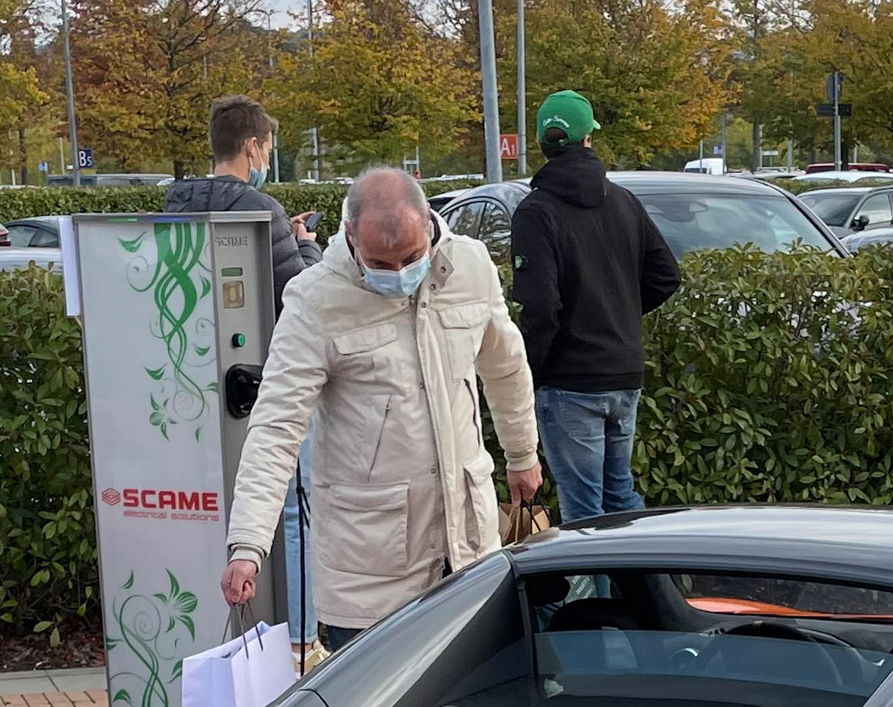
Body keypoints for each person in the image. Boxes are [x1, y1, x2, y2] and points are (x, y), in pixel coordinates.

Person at [221, 167, 540, 648]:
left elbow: (506, 366)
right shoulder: (314, 300)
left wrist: (523, 454)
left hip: (468, 551)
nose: (398, 274)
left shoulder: (470, 266)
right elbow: (276, 426)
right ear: (349, 236)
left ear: (430, 225)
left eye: (411, 258)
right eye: (380, 263)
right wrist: (248, 543)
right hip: (367, 570)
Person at [508, 86, 682, 523]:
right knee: (619, 497)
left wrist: (530, 373)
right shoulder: (623, 201)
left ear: (542, 143)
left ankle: (602, 595)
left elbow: (541, 308)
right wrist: (615, 314)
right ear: (589, 139)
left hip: (569, 383)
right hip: (624, 372)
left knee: (584, 516)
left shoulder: (535, 212)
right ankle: (654, 590)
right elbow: (666, 276)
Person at [160, 96, 320, 299]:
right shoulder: (264, 209)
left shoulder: (179, 201)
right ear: (252, 147)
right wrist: (306, 244)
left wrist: (284, 232)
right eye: (268, 152)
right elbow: (300, 293)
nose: (268, 165)